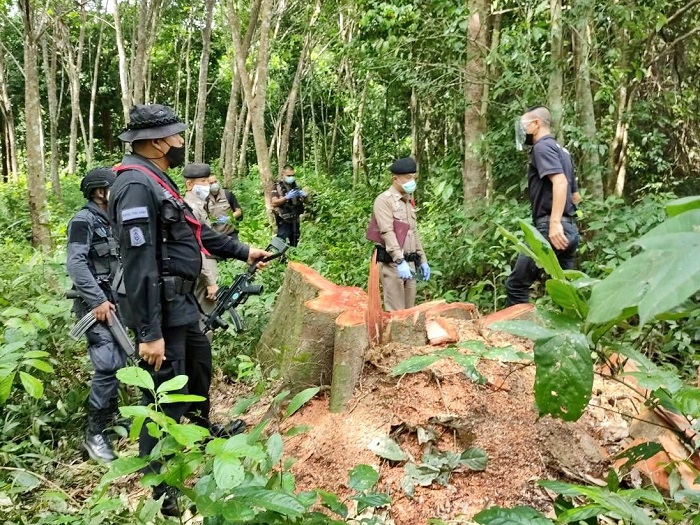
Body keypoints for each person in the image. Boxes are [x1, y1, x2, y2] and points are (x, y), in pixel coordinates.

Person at [108, 104, 270, 515]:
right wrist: (150, 333)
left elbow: (193, 234)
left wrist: (243, 250)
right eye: (176, 136)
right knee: (163, 391)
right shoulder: (135, 186)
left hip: (181, 302)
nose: (181, 143)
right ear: (157, 142)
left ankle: (201, 434)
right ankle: (161, 487)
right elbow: (138, 264)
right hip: (159, 308)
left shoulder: (156, 178)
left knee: (198, 366)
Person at [66, 167, 125, 463]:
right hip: (96, 306)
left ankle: (110, 421)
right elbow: (76, 264)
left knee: (120, 360)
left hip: (115, 302)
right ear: (100, 191)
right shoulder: (83, 220)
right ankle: (94, 433)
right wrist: (97, 300)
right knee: (107, 364)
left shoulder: (112, 220)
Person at [505, 105, 580, 305]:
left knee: (516, 285)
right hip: (569, 228)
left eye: (524, 125)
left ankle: (518, 327)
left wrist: (554, 223)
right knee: (566, 292)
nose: (522, 130)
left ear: (536, 124)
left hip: (551, 228)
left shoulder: (542, 147)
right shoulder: (562, 151)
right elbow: (575, 196)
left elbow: (560, 182)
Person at [372, 157, 430, 311]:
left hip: (410, 263)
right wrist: (399, 261)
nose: (412, 181)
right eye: (408, 177)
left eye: (413, 177)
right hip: (393, 264)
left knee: (409, 313)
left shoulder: (408, 201)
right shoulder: (384, 201)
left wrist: (423, 260)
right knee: (396, 313)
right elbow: (387, 232)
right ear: (395, 179)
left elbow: (413, 232)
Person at [183, 163, 219, 315]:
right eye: (203, 181)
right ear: (189, 184)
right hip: (202, 273)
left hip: (206, 269)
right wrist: (209, 280)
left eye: (207, 181)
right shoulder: (190, 209)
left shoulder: (199, 206)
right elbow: (196, 247)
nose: (207, 186)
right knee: (204, 316)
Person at [270, 164, 307, 247]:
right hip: (284, 220)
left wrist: (304, 195)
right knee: (280, 242)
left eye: (293, 175)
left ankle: (292, 254)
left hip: (295, 219)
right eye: (289, 176)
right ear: (283, 175)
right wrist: (286, 197)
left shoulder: (296, 186)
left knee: (294, 243)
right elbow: (274, 202)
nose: (291, 177)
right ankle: (276, 255)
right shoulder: (277, 187)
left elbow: (303, 201)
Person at [206, 173, 242, 242]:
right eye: (211, 183)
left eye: (215, 182)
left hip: (231, 233)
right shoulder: (206, 199)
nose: (214, 184)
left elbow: (238, 212)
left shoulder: (227, 194)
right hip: (215, 236)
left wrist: (229, 218)